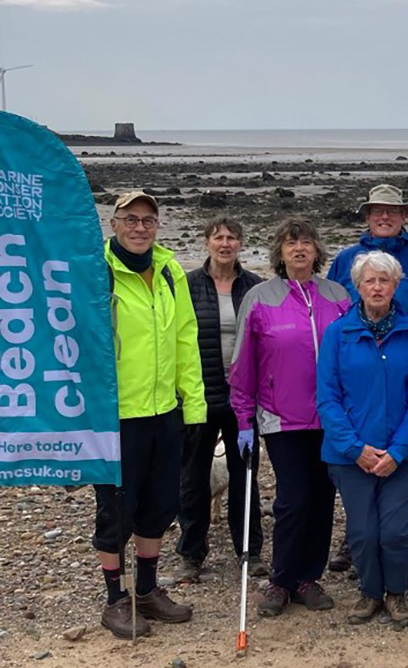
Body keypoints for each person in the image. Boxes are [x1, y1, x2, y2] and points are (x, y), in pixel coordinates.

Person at [96, 190, 206, 638]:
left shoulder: (169, 271)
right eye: (130, 219)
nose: (140, 228)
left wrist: (193, 405)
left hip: (164, 411)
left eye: (148, 220)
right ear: (115, 223)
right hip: (116, 415)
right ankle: (114, 599)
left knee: (160, 506)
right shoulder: (95, 272)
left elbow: (185, 336)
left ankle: (146, 590)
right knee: (115, 512)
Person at [230, 218, 351, 617]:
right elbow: (244, 364)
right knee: (293, 499)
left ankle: (308, 578)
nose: (299, 249)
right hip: (282, 419)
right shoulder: (261, 298)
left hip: (331, 419)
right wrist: (244, 418)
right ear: (279, 252)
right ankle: (281, 579)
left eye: (306, 242)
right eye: (290, 243)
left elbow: (353, 356)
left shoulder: (337, 296)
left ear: (317, 251)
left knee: (322, 498)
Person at [326, 183, 408, 573]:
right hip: (358, 367)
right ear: (368, 216)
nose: (385, 217)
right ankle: (355, 532)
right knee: (354, 452)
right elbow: (333, 313)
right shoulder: (345, 260)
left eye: (392, 211)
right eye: (377, 211)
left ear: (404, 215)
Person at [318, 252, 408, 629]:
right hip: (350, 455)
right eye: (370, 281)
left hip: (401, 453)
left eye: (385, 280)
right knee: (363, 532)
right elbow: (327, 398)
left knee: (396, 531)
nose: (377, 287)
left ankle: (397, 594)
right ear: (358, 286)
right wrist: (355, 449)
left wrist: (398, 451)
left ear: (396, 285)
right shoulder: (338, 332)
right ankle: (370, 593)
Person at [176, 217, 267, 583]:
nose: (225, 244)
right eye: (218, 237)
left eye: (231, 237)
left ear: (241, 243)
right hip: (199, 396)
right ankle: (191, 554)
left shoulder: (255, 287)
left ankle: (250, 551)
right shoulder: (188, 285)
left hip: (243, 400)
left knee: (245, 476)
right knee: (193, 479)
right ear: (206, 242)